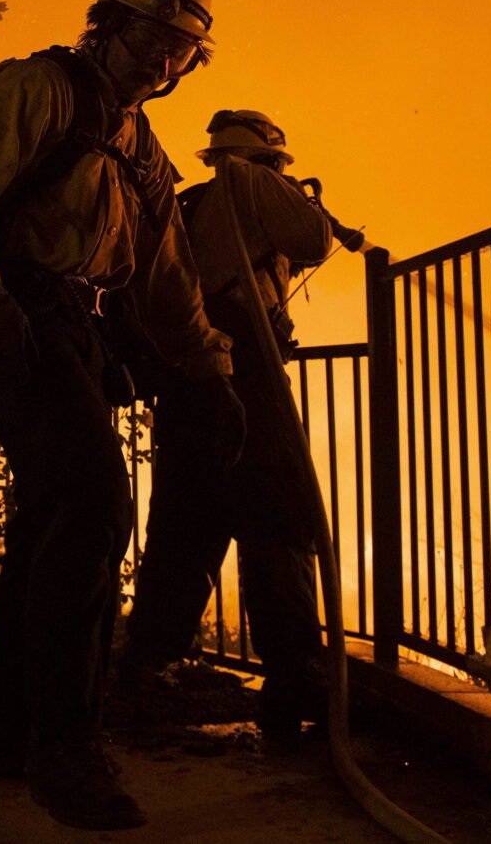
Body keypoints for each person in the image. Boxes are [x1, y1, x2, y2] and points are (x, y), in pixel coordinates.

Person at [0, 0, 244, 831]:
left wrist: (212, 371)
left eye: (180, 46)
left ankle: (13, 733)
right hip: (12, 308)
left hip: (73, 324)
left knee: (49, 517)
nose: (161, 56)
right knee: (96, 501)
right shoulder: (35, 91)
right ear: (110, 21)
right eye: (150, 32)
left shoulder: (144, 155)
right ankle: (68, 746)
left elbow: (168, 283)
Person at [120, 109, 335, 740]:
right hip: (245, 368)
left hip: (193, 372)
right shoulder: (245, 189)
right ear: (265, 162)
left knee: (189, 519)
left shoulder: (191, 206)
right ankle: (294, 679)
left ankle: (146, 666)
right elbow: (313, 240)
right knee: (279, 517)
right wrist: (259, 175)